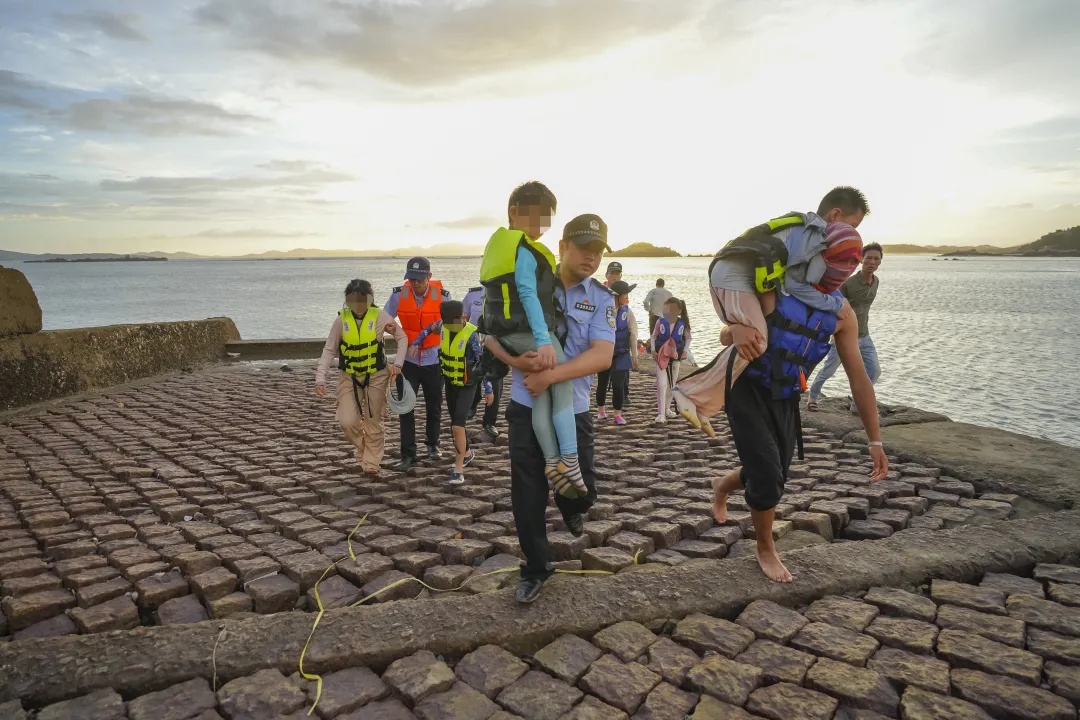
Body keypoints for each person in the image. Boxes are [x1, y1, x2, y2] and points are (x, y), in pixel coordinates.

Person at [710, 237, 889, 584]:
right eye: (836, 261)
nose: (843, 270)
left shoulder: (842, 315)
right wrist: (734, 328)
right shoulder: (776, 290)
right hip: (745, 385)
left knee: (771, 469)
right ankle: (765, 547)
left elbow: (860, 379)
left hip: (785, 394)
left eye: (849, 264)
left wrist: (876, 441)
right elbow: (724, 334)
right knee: (767, 473)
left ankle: (721, 485)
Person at [485, 213, 615, 603]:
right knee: (526, 496)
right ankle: (537, 568)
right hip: (526, 405)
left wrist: (550, 376)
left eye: (597, 251)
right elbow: (489, 334)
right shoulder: (530, 281)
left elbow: (603, 357)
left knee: (583, 487)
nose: (590, 258)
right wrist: (518, 363)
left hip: (573, 410)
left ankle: (571, 504)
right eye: (583, 248)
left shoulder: (601, 298)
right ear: (562, 247)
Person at [671, 187, 870, 435]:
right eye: (853, 224)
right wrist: (835, 304)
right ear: (835, 214)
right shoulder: (814, 236)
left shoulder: (800, 226)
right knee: (758, 340)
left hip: (728, 273)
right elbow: (796, 285)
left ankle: (701, 404)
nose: (853, 233)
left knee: (751, 340)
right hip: (733, 277)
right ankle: (688, 392)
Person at [479, 181, 586, 498]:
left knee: (543, 394)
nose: (542, 224)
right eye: (536, 216)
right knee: (561, 382)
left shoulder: (498, 247)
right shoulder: (522, 250)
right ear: (514, 212)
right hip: (528, 333)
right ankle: (569, 459)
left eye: (547, 217)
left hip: (507, 334)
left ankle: (552, 463)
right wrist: (543, 341)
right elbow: (527, 294)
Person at [315, 279, 406, 476]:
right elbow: (329, 349)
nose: (357, 305)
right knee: (347, 422)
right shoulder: (341, 320)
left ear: (370, 299)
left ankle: (371, 461)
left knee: (374, 419)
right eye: (351, 301)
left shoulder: (381, 317)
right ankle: (363, 446)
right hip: (349, 376)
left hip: (377, 375)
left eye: (361, 300)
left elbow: (402, 337)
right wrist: (320, 377)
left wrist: (398, 364)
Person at [410, 301, 494, 485]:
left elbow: (482, 364)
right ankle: (467, 453)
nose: (449, 326)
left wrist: (488, 389)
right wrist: (416, 342)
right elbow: (427, 330)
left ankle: (458, 469)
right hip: (450, 382)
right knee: (457, 426)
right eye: (446, 323)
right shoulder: (442, 326)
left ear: (462, 318)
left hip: (467, 385)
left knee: (457, 426)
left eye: (454, 322)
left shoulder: (471, 335)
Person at [383, 256, 452, 471]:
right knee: (406, 406)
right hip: (409, 361)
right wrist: (394, 330)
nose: (414, 284)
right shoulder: (399, 295)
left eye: (419, 280)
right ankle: (408, 455)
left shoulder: (443, 296)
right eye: (411, 279)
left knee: (434, 405)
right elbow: (385, 319)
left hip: (434, 359)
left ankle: (433, 445)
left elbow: (455, 324)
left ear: (429, 277)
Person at [808, 243, 883, 411]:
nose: (872, 261)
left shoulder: (875, 282)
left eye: (876, 258)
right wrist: (836, 334)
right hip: (844, 337)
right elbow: (833, 305)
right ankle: (812, 397)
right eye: (868, 258)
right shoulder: (848, 283)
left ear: (880, 262)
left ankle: (857, 405)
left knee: (874, 371)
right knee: (828, 370)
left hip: (864, 336)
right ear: (862, 260)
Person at [595, 280, 638, 424]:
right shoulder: (605, 310)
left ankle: (617, 414)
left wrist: (635, 355)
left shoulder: (628, 311)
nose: (627, 297)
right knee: (602, 382)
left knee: (619, 385)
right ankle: (601, 410)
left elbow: (633, 333)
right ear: (617, 295)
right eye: (625, 294)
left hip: (621, 353)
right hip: (604, 352)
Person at [651, 297, 691, 424]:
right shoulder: (660, 322)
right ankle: (661, 413)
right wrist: (653, 350)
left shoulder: (683, 323)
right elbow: (653, 337)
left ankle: (667, 408)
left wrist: (684, 351)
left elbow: (688, 338)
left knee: (671, 385)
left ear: (679, 311)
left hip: (676, 358)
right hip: (661, 357)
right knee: (662, 384)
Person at [642, 279, 672, 349]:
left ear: (656, 284)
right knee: (663, 335)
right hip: (665, 317)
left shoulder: (653, 291)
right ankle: (663, 351)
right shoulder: (669, 293)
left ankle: (654, 351)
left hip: (654, 315)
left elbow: (645, 302)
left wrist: (649, 310)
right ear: (663, 285)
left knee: (653, 335)